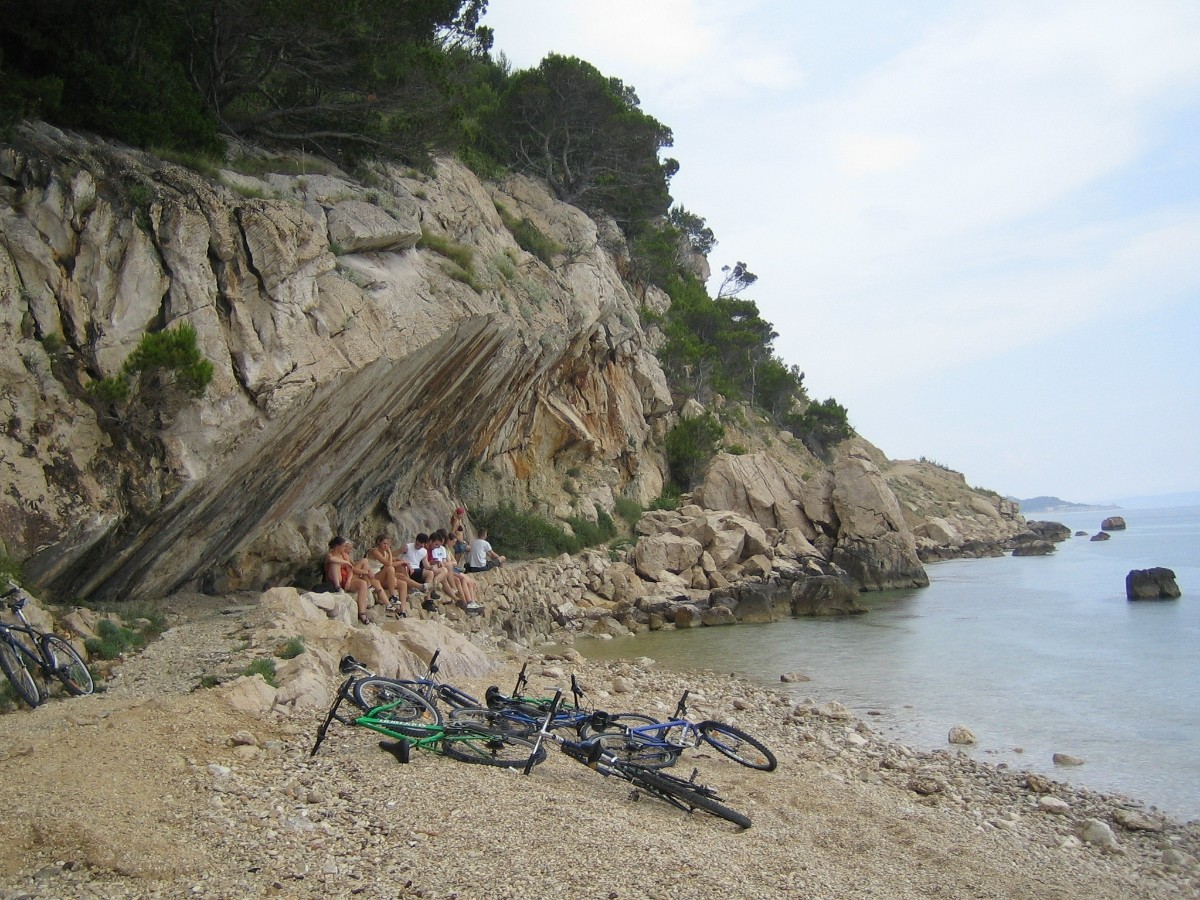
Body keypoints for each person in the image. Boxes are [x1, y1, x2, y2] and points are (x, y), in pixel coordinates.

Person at [324, 536, 386, 625]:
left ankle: (362, 613)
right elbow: (331, 559)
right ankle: (338, 587)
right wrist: (346, 562)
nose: (345, 548)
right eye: (343, 546)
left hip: (345, 579)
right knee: (335, 563)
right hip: (334, 580)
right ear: (337, 546)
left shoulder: (344, 555)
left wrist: (349, 580)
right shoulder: (330, 555)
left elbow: (350, 570)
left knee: (363, 584)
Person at [366, 535, 413, 617]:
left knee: (403, 584)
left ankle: (402, 611)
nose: (386, 546)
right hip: (371, 576)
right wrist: (390, 552)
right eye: (384, 543)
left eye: (388, 544)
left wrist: (403, 562)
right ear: (379, 542)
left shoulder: (385, 554)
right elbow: (389, 564)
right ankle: (393, 596)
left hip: (379, 576)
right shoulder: (374, 551)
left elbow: (392, 563)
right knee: (390, 568)